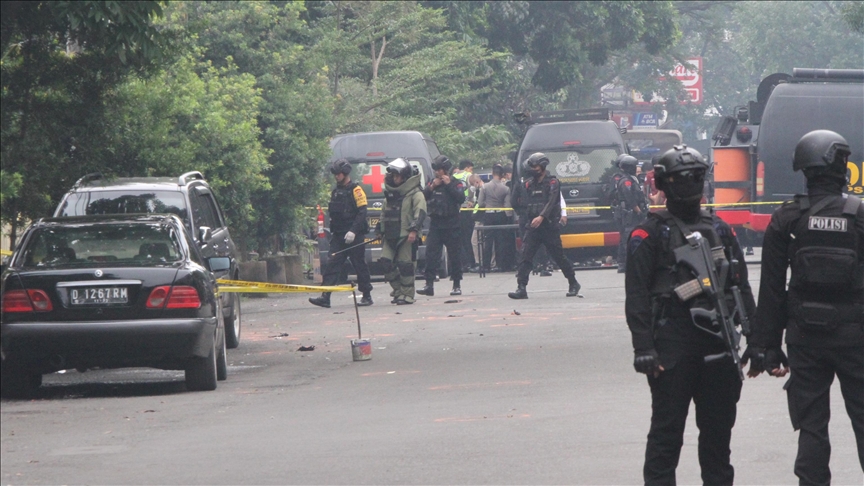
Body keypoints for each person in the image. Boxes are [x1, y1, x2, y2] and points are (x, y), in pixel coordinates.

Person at [624, 144, 756, 485]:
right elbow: (637, 294)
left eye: (695, 177)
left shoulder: (721, 230)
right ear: (665, 184)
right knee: (666, 438)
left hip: (718, 344)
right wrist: (643, 348)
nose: (690, 186)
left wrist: (757, 341)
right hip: (672, 345)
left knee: (717, 443)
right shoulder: (650, 233)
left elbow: (740, 287)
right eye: (683, 179)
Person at [743, 130, 864, 485]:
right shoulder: (859, 216)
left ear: (804, 170)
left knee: (812, 427)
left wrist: (765, 346)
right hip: (856, 338)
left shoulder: (787, 219)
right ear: (842, 169)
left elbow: (772, 290)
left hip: (805, 339)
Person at [508, 153, 581, 299]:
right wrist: (524, 214)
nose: (532, 169)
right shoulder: (528, 183)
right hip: (533, 227)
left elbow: (552, 201)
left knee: (559, 257)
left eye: (534, 166)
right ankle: (521, 287)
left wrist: (541, 216)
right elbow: (516, 200)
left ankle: (573, 283)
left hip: (549, 226)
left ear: (542, 167)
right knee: (525, 256)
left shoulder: (552, 182)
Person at [309, 159, 373, 308]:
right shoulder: (336, 192)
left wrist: (353, 231)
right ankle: (325, 296)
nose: (336, 176)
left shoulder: (356, 190)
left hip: (354, 236)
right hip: (339, 236)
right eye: (335, 174)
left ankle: (367, 295)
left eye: (338, 174)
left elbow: (362, 212)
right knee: (332, 264)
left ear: (345, 173)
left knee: (359, 265)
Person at [377, 158, 427, 305]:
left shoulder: (416, 194)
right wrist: (379, 229)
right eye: (393, 175)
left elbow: (421, 212)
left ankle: (407, 294)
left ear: (405, 177)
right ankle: (398, 290)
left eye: (398, 176)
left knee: (406, 265)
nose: (395, 178)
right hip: (390, 235)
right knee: (385, 262)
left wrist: (414, 230)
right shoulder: (391, 195)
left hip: (406, 236)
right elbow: (383, 213)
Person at [418, 155, 465, 297]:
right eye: (436, 170)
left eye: (439, 170)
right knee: (431, 254)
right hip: (436, 224)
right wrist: (433, 186)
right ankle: (429, 285)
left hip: (452, 224)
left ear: (445, 170)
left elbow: (460, 198)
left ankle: (456, 285)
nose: (437, 173)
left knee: (455, 256)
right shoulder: (433, 183)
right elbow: (422, 196)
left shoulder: (456, 183)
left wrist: (449, 184)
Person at [614, 155, 648, 273]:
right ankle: (626, 263)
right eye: (634, 166)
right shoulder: (626, 181)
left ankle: (624, 263)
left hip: (632, 212)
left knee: (627, 237)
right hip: (630, 213)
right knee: (627, 237)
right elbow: (630, 198)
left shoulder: (632, 179)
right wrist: (638, 211)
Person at [477, 164, 515, 272]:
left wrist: (487, 204)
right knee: (500, 240)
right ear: (502, 174)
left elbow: (480, 203)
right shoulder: (506, 188)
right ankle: (500, 265)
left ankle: (486, 265)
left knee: (488, 241)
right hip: (500, 214)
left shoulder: (485, 187)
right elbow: (507, 205)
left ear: (493, 173)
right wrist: (508, 216)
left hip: (488, 214)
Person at [453, 160, 476, 271]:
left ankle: (462, 263)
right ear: (467, 168)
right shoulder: (468, 175)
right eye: (471, 168)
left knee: (459, 238)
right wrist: (472, 200)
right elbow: (472, 188)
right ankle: (470, 262)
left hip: (456, 210)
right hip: (467, 208)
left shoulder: (453, 176)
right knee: (468, 238)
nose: (472, 171)